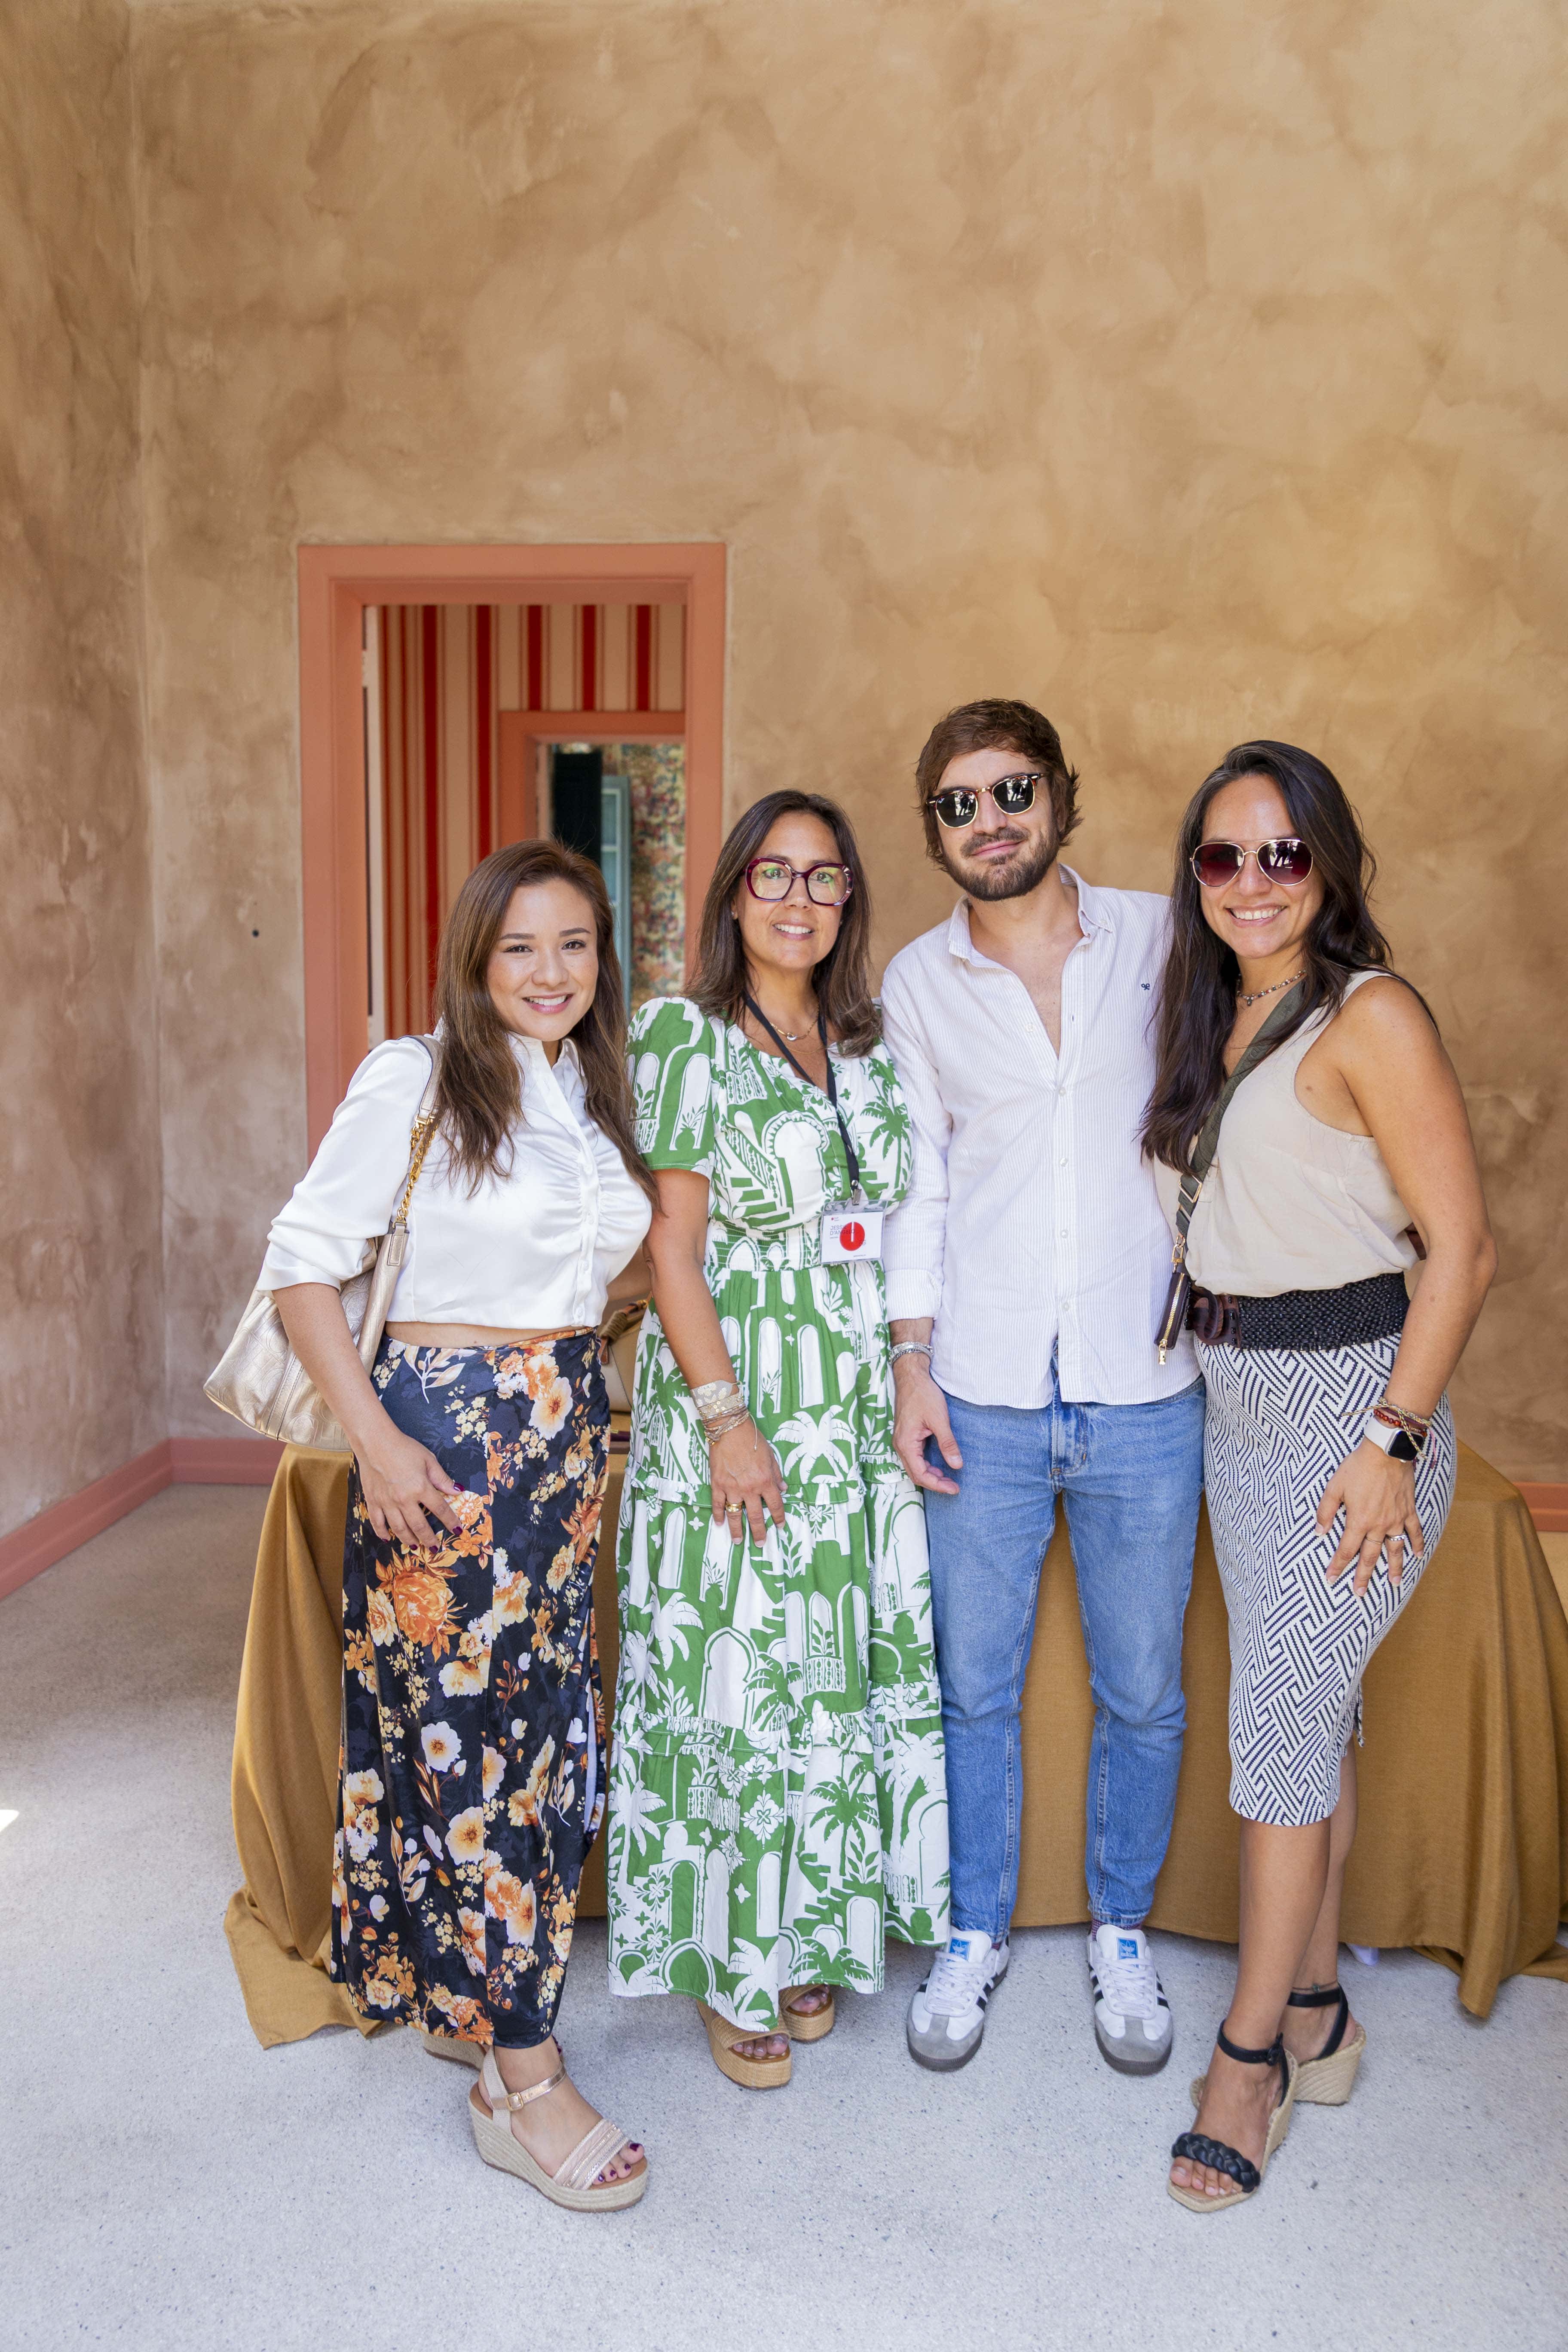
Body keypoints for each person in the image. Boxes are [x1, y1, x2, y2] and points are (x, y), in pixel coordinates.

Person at [263, 839, 656, 2211]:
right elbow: (301, 1269)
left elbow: (604, 1273)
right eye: (520, 948)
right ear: (475, 959)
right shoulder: (418, 1077)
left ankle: (473, 1997)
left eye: (575, 945)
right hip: (441, 1449)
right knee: (473, 1753)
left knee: (540, 1736)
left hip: (560, 1447)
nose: (550, 973)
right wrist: (377, 1444)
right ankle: (523, 2081)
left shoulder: (590, 1091)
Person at [1146, 741, 1495, 2213]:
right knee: (1314, 1719)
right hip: (1240, 1411)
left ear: (1329, 864)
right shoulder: (1211, 1012)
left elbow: (1463, 1251)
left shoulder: (1372, 1016)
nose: (1253, 882)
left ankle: (1248, 2064)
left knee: (1281, 1737)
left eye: (1282, 853)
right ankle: (1321, 2012)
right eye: (1223, 856)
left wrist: (1393, 1442)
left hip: (1358, 1413)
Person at [882, 699, 1205, 2076]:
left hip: (1149, 1380)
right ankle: (976, 1931)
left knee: (1144, 1689)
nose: (990, 820)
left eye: (1012, 790)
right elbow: (918, 1182)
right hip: (985, 1384)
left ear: (1062, 794)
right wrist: (911, 1363)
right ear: (936, 830)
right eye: (958, 803)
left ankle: (1122, 1929)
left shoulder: (1166, 935)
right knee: (975, 1689)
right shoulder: (916, 982)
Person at [606, 790, 949, 2086]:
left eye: (823, 876)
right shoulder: (684, 1035)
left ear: (850, 895)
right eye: (773, 874)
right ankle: (726, 1960)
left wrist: (904, 1369)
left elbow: (896, 1220)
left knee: (820, 1675)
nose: (799, 899)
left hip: (848, 1395)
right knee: (735, 1680)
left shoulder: (866, 1042)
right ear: (733, 892)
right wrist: (728, 1422)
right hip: (740, 1392)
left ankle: (802, 1930)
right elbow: (673, 1252)